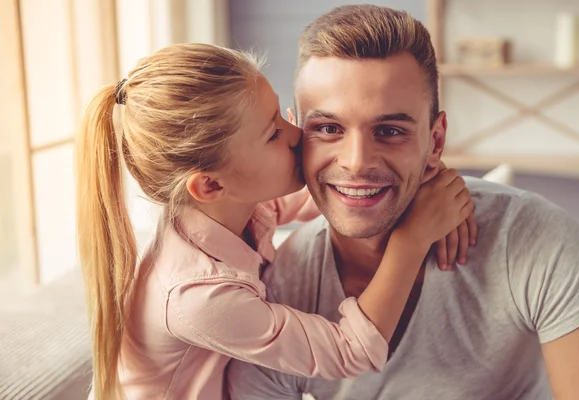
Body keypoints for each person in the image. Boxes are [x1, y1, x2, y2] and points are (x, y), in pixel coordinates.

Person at [227, 5, 579, 400]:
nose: (356, 161)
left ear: (435, 142)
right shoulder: (273, 296)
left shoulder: (534, 240)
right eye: (329, 128)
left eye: (389, 130)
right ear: (298, 136)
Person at [75, 42, 475, 399]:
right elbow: (347, 352)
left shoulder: (227, 208)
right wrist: (412, 239)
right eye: (273, 134)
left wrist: (418, 166)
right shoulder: (197, 296)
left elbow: (331, 194)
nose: (299, 134)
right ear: (211, 185)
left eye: (282, 116)